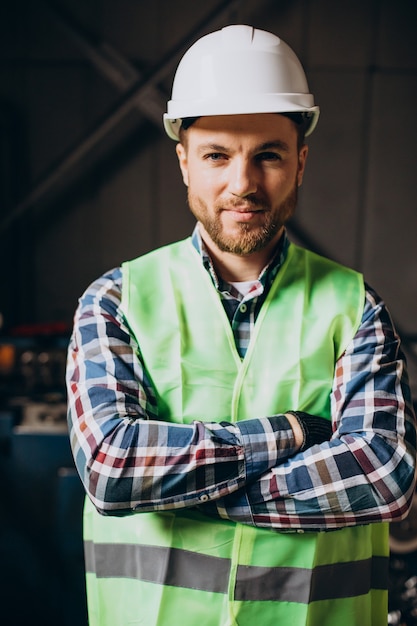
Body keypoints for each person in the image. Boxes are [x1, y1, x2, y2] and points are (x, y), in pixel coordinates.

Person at [66, 24, 416, 626]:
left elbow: (384, 474)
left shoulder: (354, 307)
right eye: (216, 156)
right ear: (183, 162)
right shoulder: (115, 302)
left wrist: (187, 490)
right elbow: (113, 468)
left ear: (300, 162)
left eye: (268, 155)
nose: (243, 184)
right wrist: (290, 435)